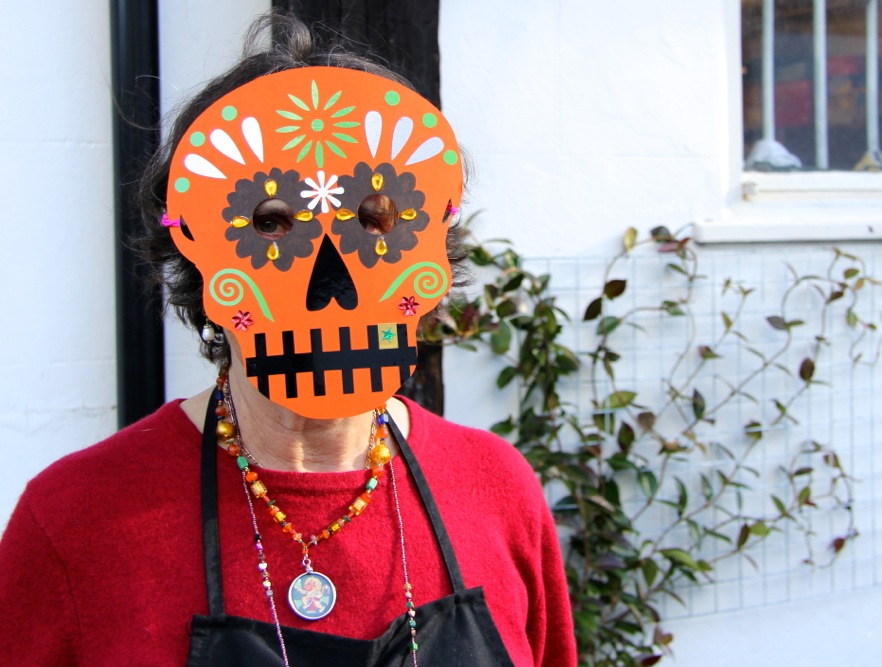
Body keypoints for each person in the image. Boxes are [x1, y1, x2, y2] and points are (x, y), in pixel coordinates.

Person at [0, 13, 576, 667]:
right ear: (198, 258)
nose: (331, 285)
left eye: (376, 218)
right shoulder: (75, 520)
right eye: (271, 223)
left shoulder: (499, 492)